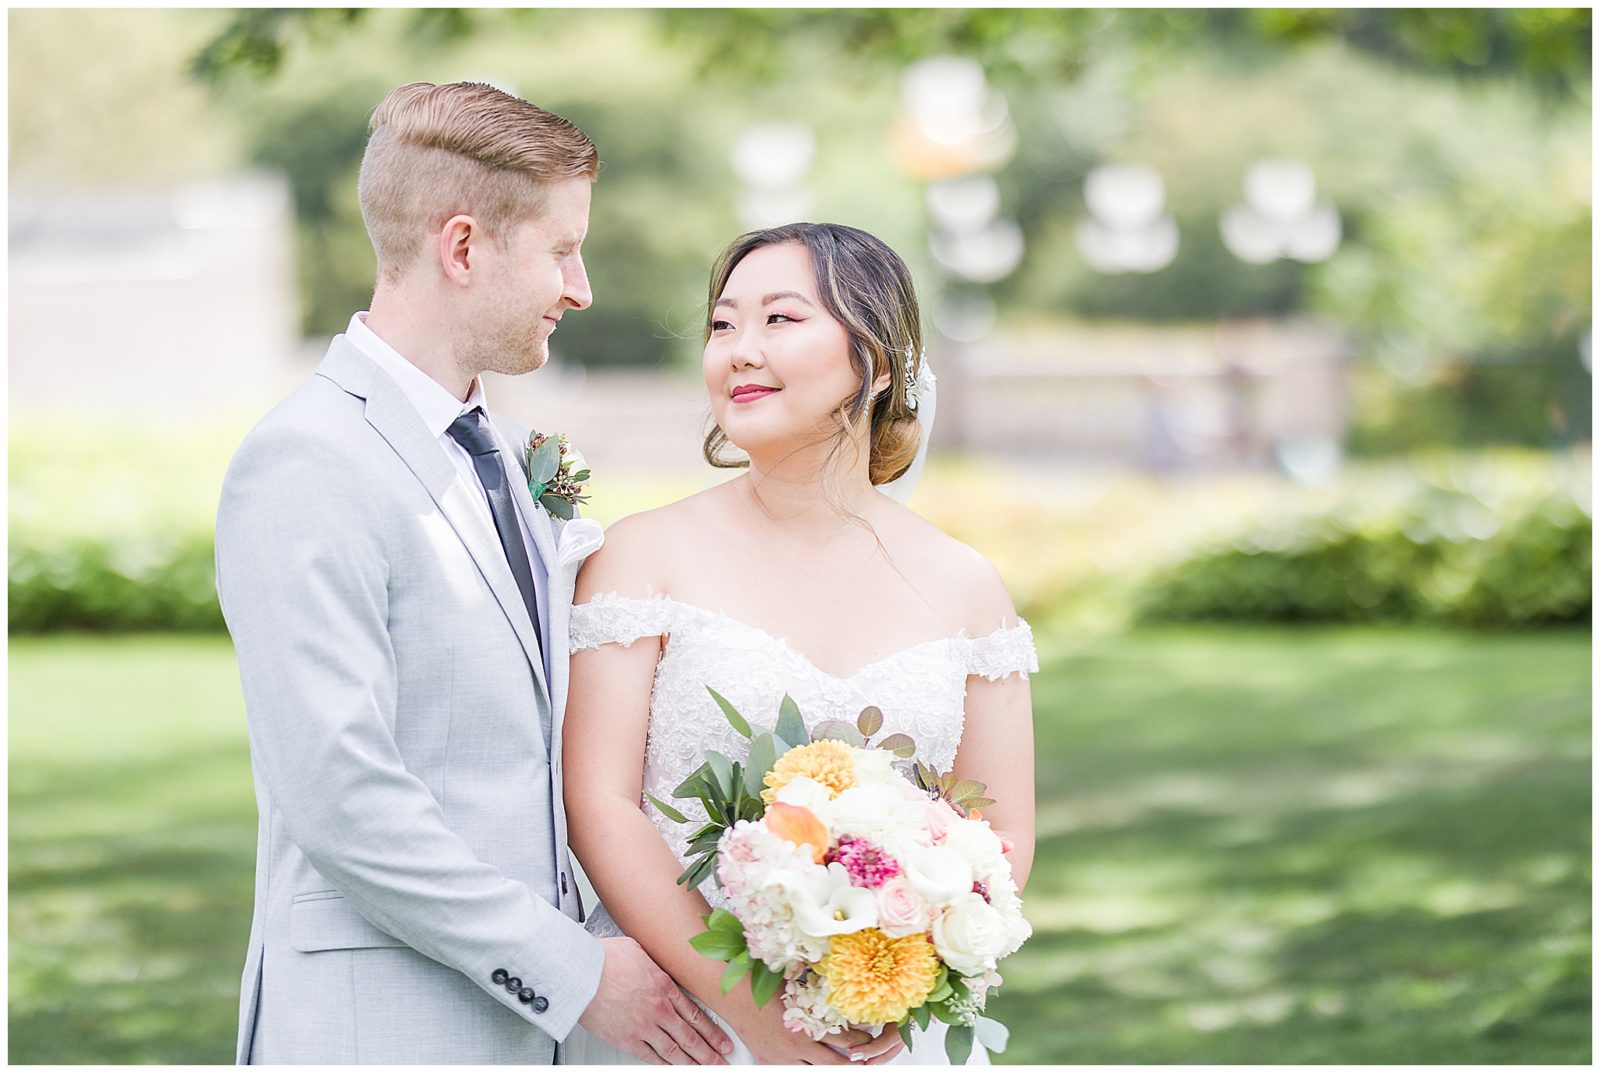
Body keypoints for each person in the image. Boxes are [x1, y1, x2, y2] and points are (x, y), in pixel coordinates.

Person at [214, 81, 732, 1066]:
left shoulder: (509, 447)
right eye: (561, 249)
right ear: (462, 247)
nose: (579, 288)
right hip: (389, 1028)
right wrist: (573, 967)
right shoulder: (306, 461)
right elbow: (341, 796)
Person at [561, 223, 1038, 1065]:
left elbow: (998, 834)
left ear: (879, 360)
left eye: (780, 320)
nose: (739, 351)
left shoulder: (967, 585)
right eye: (721, 325)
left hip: (880, 1036)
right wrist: (754, 1015)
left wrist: (903, 973)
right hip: (682, 1026)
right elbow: (599, 803)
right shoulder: (642, 556)